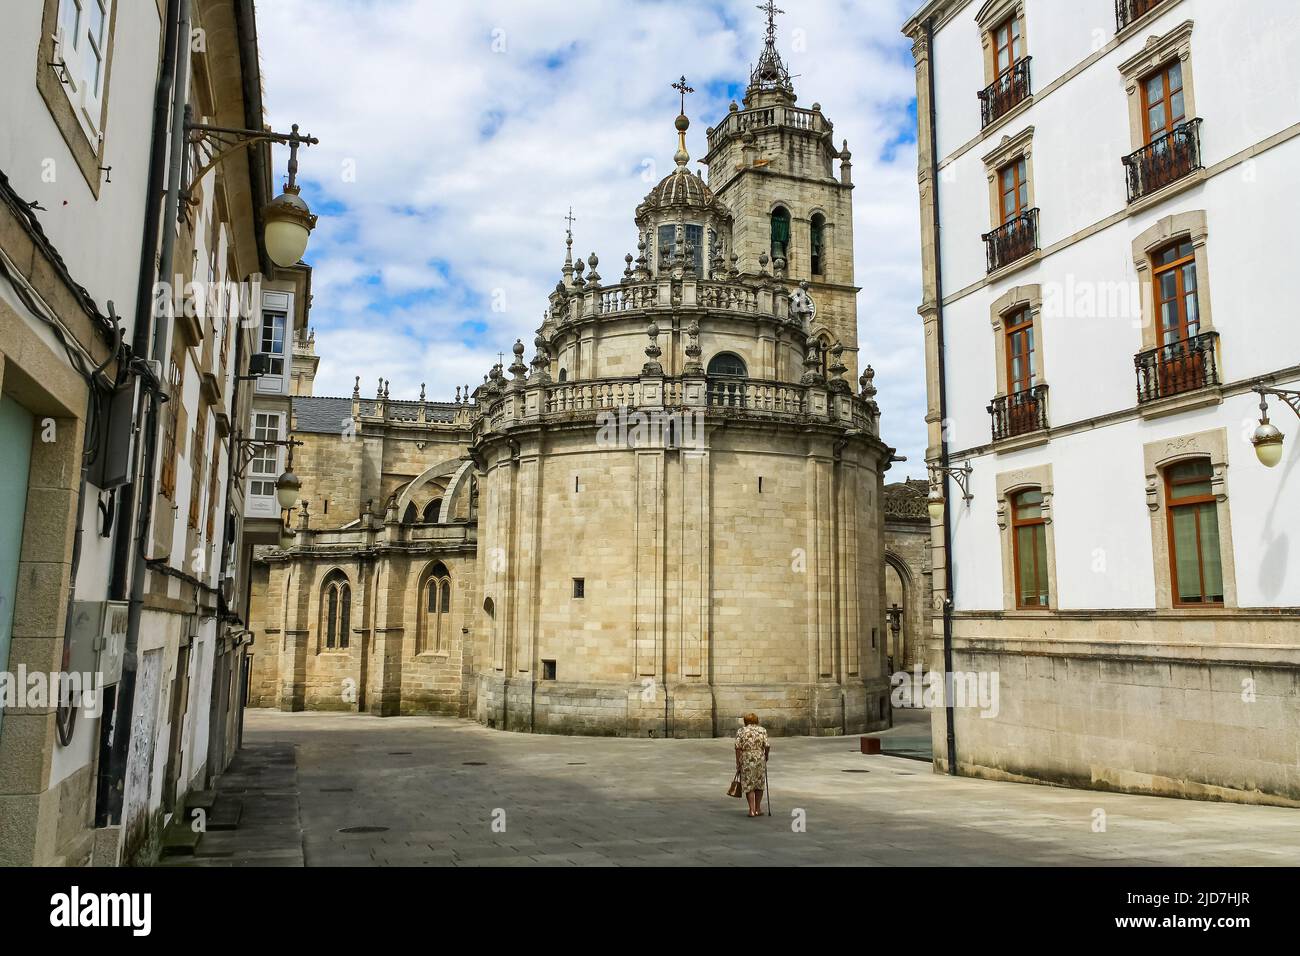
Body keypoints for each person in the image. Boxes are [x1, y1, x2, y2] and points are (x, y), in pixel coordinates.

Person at [734, 713, 770, 817]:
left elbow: (737, 747)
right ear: (756, 720)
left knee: (749, 784)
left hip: (746, 757)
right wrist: (766, 756)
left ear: (745, 721)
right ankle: (758, 808)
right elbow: (767, 746)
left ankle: (752, 810)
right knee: (759, 783)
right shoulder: (762, 730)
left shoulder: (741, 731)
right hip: (759, 757)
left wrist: (738, 762)